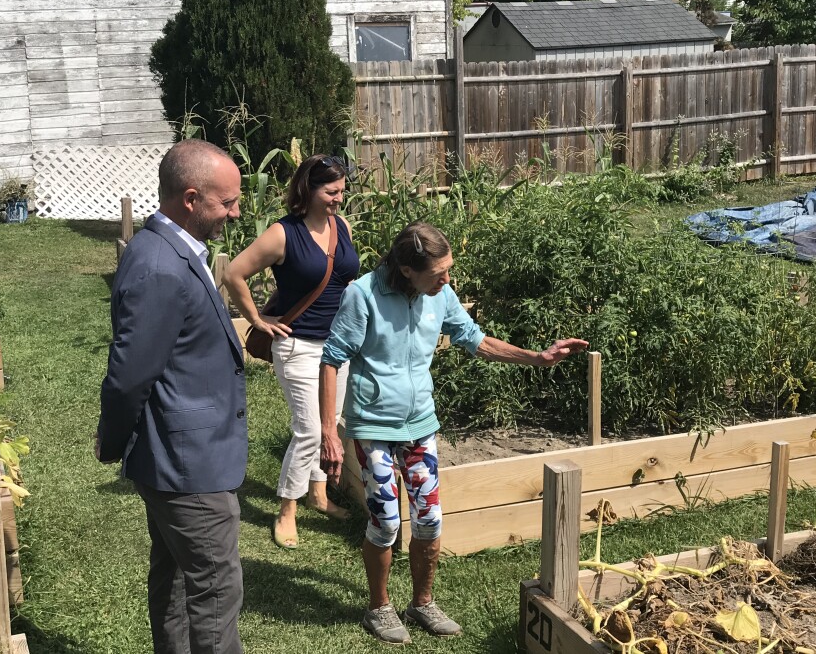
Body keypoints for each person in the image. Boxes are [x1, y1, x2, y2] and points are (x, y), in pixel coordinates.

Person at [319, 221, 588, 645]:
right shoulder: (364, 294)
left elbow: (474, 339)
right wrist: (328, 432)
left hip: (420, 424)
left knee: (429, 520)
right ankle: (379, 607)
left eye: (449, 270)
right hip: (373, 425)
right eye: (438, 273)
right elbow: (332, 359)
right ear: (407, 270)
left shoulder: (439, 295)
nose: (448, 280)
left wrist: (537, 357)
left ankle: (422, 603)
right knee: (386, 521)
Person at [96, 138, 247, 654]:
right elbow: (129, 376)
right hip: (188, 466)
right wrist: (113, 441)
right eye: (226, 202)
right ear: (190, 198)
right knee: (215, 592)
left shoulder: (174, 249)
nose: (236, 210)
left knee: (177, 580)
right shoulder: (160, 265)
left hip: (179, 458)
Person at [223, 154, 360, 549]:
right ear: (308, 189)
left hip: (338, 346)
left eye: (341, 192)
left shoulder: (342, 226)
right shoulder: (284, 234)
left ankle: (319, 494)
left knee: (330, 421)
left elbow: (346, 280)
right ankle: (287, 510)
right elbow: (234, 272)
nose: (338, 199)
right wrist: (258, 319)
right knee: (309, 430)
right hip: (299, 345)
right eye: (330, 192)